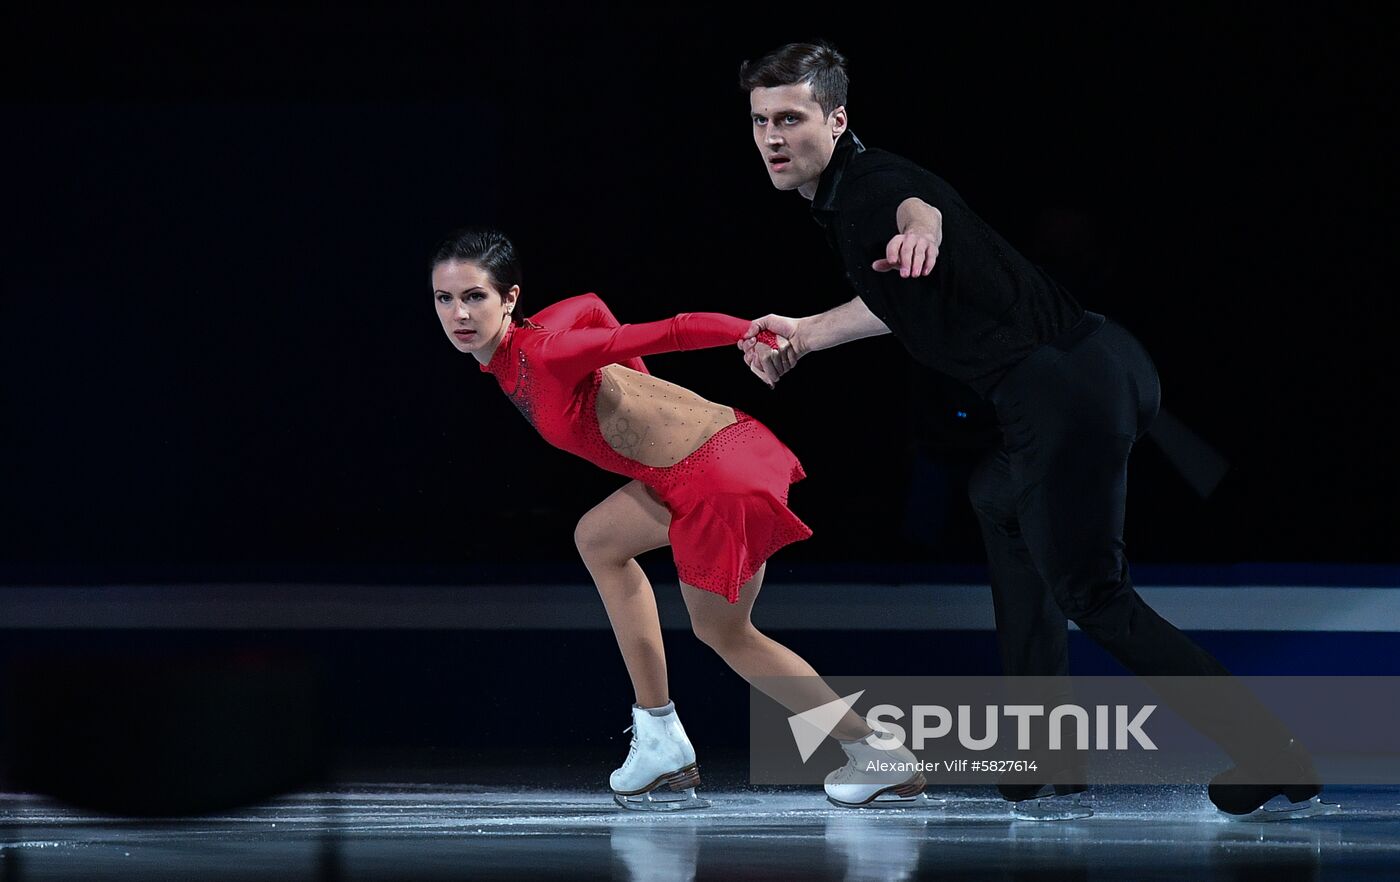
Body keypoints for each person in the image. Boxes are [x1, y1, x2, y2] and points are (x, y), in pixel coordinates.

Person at [735, 41, 1323, 817]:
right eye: (760, 121)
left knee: (1093, 593)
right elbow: (896, 299)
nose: (773, 137)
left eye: (791, 118)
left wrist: (922, 233)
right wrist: (807, 333)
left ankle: (1272, 751)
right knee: (997, 498)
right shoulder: (848, 194)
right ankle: (1046, 749)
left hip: (1059, 392)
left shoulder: (874, 188)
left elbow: (917, 211)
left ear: (836, 120)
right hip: (1101, 363)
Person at [431, 226, 924, 810]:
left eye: (475, 297)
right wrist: (639, 382)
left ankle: (874, 751)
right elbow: (590, 303)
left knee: (726, 633)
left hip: (716, 479)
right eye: (445, 298)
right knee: (598, 538)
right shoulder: (529, 343)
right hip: (709, 457)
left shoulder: (544, 353)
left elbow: (673, 329)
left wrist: (748, 331)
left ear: (509, 298)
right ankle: (659, 733)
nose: (460, 314)